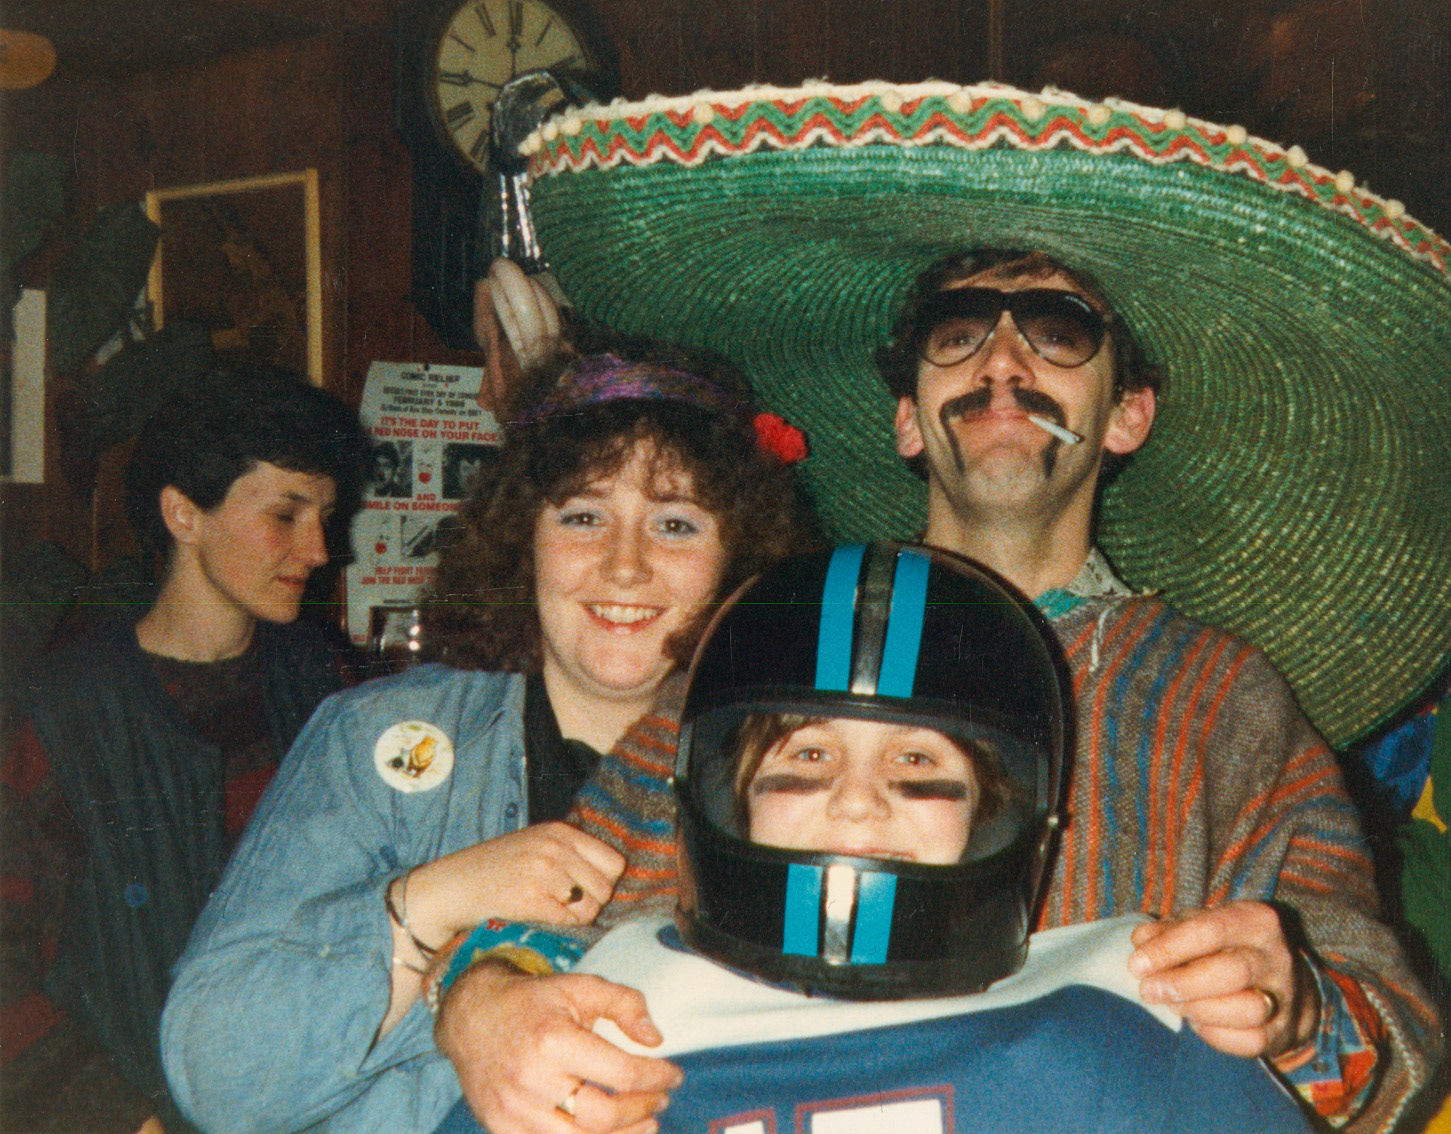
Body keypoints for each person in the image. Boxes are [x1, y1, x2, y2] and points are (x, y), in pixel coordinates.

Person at [463, 79, 1449, 1130]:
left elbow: (1394, 1057)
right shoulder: (774, 643)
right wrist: (483, 1003)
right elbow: (558, 910)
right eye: (958, 331)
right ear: (906, 419)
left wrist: (1296, 1010)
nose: (1001, 361)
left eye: (1058, 331)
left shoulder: (1219, 701)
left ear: (1125, 416)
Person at [430, 544, 1313, 1134]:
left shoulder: (1129, 1020)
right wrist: (483, 992)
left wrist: (1305, 1010)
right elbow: (530, 917)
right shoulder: (602, 1038)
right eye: (807, 757)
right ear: (722, 795)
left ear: (1001, 808)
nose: (856, 805)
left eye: (918, 763)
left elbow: (1369, 1027)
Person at [159, 340, 816, 1131]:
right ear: (520, 538)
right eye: (583, 517)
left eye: (675, 525)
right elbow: (215, 1076)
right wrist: (428, 904)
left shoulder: (797, 768)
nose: (625, 566)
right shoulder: (373, 739)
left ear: (735, 555)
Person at [0, 362, 369, 1132]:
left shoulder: (324, 679)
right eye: (286, 514)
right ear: (183, 514)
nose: (318, 549)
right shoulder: (59, 710)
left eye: (326, 516)